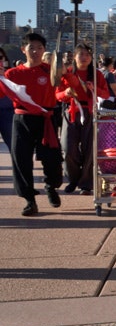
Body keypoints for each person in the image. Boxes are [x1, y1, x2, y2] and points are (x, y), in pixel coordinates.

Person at [2, 33, 64, 215]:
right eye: (31, 48)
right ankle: (29, 200)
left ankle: (51, 186)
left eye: (39, 48)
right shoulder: (12, 74)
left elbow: (63, 89)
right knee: (20, 159)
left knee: (52, 159)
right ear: (23, 50)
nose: (35, 51)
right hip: (22, 120)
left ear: (44, 50)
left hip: (46, 118)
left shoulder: (51, 71)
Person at [55, 43, 110, 194]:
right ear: (75, 56)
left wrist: (94, 89)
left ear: (91, 57)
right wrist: (65, 93)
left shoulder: (97, 74)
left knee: (89, 149)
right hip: (72, 111)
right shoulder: (68, 72)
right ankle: (73, 179)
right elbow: (57, 95)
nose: (84, 57)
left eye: (87, 54)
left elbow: (105, 94)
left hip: (90, 112)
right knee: (68, 147)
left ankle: (86, 183)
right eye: (81, 54)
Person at [0, 47, 13, 152]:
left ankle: (18, 167)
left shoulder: (11, 73)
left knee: (13, 144)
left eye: (0, 57)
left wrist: (4, 76)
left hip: (8, 111)